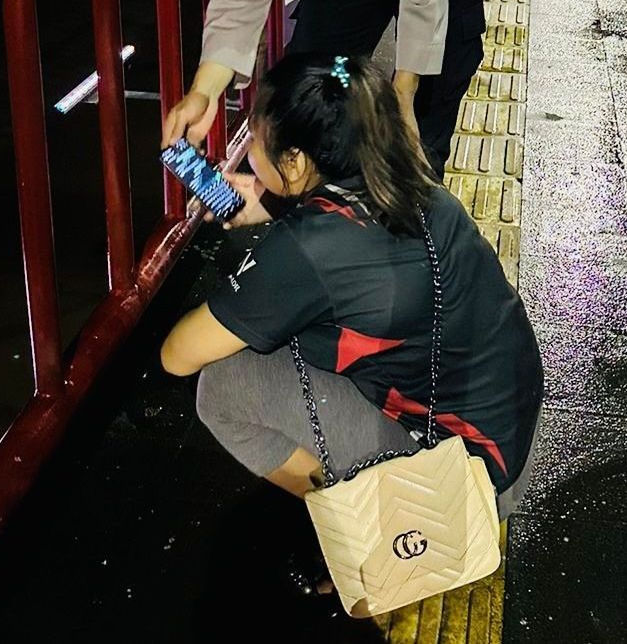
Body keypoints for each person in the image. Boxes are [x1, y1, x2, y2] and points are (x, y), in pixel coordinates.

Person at [160, 53, 541, 553]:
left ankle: (371, 531)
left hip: (460, 479)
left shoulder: (304, 253)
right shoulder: (410, 182)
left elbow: (177, 355)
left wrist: (262, 269)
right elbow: (350, 251)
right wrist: (275, 204)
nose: (249, 150)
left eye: (255, 139)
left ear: (295, 160)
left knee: (224, 388)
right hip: (511, 424)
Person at [161, 0, 487, 176]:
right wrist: (205, 90)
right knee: (307, 93)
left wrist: (403, 95)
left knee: (420, 127)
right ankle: (316, 231)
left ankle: (422, 243)